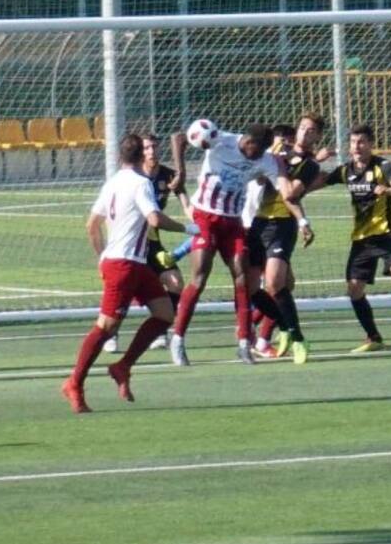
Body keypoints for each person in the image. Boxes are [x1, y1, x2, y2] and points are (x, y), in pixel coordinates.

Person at [62, 134, 194, 413]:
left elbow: (91, 225)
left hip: (133, 264)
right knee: (106, 327)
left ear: (120, 156)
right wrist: (188, 229)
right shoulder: (140, 183)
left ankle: (122, 366)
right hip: (123, 265)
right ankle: (74, 382)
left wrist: (101, 258)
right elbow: (155, 219)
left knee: (164, 314)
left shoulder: (112, 183)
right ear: (139, 157)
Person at [168, 123, 313, 366]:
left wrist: (302, 219)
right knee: (200, 276)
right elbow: (178, 137)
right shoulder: (220, 139)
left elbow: (286, 193)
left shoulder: (266, 160)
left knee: (243, 278)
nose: (258, 156)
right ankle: (178, 339)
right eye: (257, 150)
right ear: (247, 142)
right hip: (205, 216)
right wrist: (180, 171)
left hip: (233, 222)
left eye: (263, 152)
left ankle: (245, 343)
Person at [308, 123, 391, 354]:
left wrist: (389, 190)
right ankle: (373, 337)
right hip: (362, 240)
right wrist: (298, 190)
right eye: (353, 142)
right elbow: (319, 182)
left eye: (361, 142)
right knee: (354, 289)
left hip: (387, 235)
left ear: (371, 144)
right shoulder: (345, 170)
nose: (356, 147)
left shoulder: (383, 166)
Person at [103, 133, 191, 354]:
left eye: (154, 147)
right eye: (147, 148)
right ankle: (110, 334)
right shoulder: (134, 178)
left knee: (175, 282)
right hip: (131, 245)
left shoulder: (169, 175)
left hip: (152, 243)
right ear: (140, 152)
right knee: (120, 294)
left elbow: (187, 206)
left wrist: (197, 222)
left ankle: (160, 332)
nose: (152, 151)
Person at [247, 115, 323, 363]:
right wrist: (271, 158)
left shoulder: (310, 165)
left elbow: (290, 193)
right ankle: (286, 326)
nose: (303, 133)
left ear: (317, 137)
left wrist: (279, 165)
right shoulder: (277, 153)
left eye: (310, 131)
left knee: (274, 283)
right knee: (250, 286)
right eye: (301, 128)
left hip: (282, 224)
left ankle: (298, 338)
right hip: (259, 220)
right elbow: (258, 179)